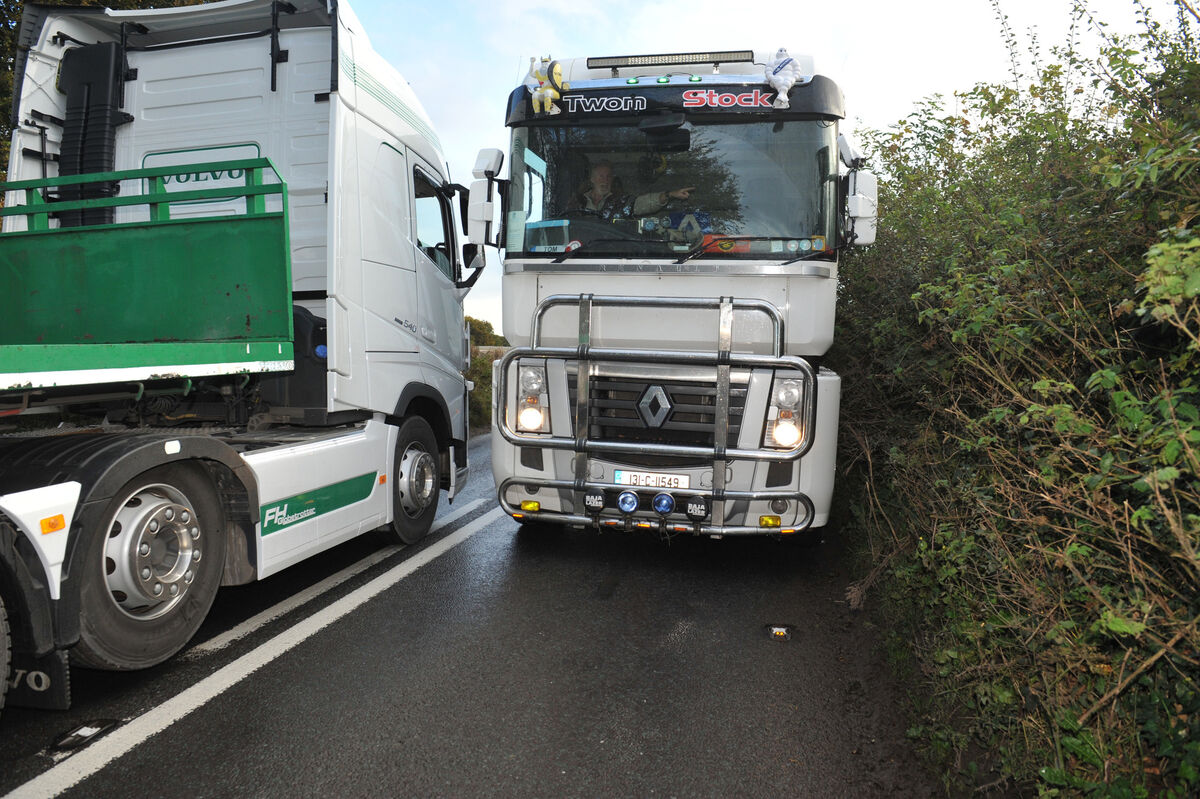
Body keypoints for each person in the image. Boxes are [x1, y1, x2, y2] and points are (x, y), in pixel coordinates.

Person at [570, 161, 694, 220]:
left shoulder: (623, 202)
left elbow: (645, 202)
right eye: (601, 176)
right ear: (592, 179)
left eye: (608, 177)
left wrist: (670, 194)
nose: (605, 180)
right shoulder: (576, 202)